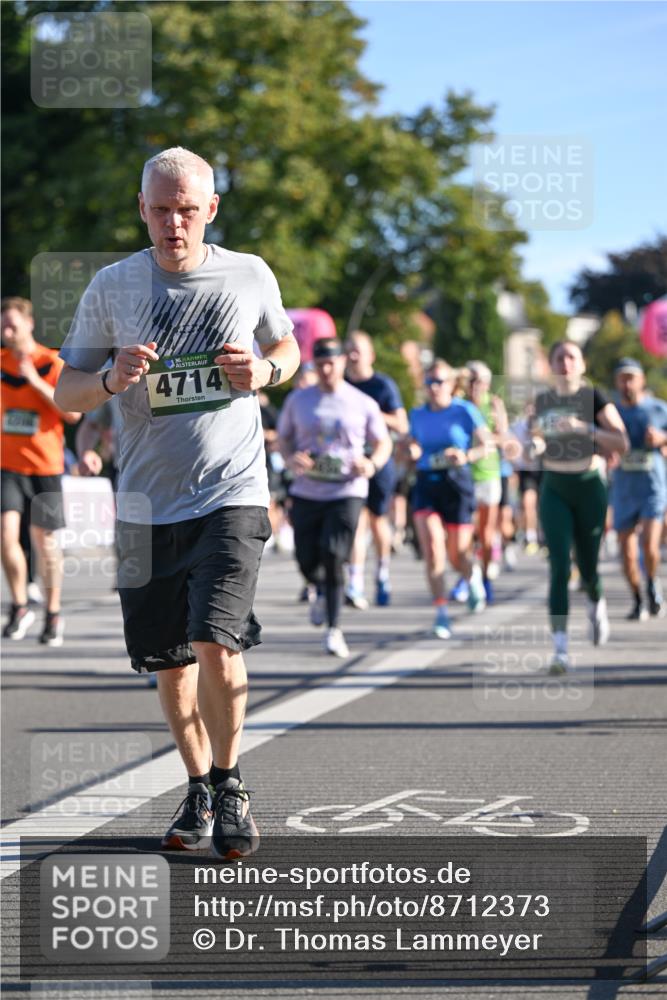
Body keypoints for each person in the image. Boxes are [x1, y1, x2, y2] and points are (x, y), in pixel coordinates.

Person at [54, 146, 300, 859]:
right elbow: (64, 393)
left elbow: (286, 351)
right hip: (142, 504)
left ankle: (230, 784)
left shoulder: (247, 273)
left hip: (232, 491)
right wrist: (106, 379)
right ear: (142, 210)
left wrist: (264, 370)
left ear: (211, 210)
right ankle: (197, 784)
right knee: (169, 664)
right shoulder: (111, 286)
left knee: (214, 643)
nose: (173, 223)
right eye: (160, 209)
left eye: (187, 209)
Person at [277, 338, 391, 657]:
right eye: (320, 364)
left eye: (332, 362)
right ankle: (320, 589)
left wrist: (371, 463)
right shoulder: (298, 400)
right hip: (307, 490)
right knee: (306, 559)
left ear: (342, 362)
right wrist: (290, 458)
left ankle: (334, 629)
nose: (326, 369)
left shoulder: (362, 402)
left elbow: (383, 443)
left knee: (333, 552)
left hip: (347, 490)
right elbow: (283, 439)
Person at [531, 341, 628, 673]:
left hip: (588, 487)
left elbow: (622, 441)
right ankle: (560, 649)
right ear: (552, 364)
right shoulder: (543, 401)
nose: (566, 363)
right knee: (559, 566)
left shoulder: (595, 398)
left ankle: (595, 601)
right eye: (559, 357)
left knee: (588, 567)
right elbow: (533, 435)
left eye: (572, 357)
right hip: (554, 488)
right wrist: (534, 443)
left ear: (582, 364)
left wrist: (585, 428)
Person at [1, 297, 81, 645]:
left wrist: (33, 380)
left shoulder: (51, 363)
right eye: (2, 325)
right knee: (6, 535)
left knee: (45, 541)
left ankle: (52, 612)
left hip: (45, 466)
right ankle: (19, 604)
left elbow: (72, 414)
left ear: (29, 324)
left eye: (12, 324)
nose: (6, 331)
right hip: (8, 465)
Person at [406, 359, 490, 638]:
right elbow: (409, 444)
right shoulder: (417, 414)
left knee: (457, 555)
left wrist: (465, 455)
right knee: (432, 550)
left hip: (456, 483)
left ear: (452, 385)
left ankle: (472, 576)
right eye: (429, 382)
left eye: (439, 382)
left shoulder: (464, 411)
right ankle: (441, 613)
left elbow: (486, 445)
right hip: (427, 482)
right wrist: (411, 449)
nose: (434, 388)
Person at [343, 330, 408, 607]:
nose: (353, 354)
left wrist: (370, 412)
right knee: (356, 523)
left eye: (358, 349)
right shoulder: (340, 385)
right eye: (349, 349)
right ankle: (355, 582)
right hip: (351, 465)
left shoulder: (383, 386)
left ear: (371, 355)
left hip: (379, 462)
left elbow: (402, 425)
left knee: (378, 521)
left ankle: (382, 573)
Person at [610, 358, 667, 620]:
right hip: (623, 489)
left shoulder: (658, 409)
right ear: (616, 383)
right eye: (622, 378)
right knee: (627, 553)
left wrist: (662, 439)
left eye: (631, 377)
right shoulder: (611, 413)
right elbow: (601, 442)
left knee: (649, 545)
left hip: (652, 486)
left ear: (642, 380)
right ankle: (636, 598)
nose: (627, 383)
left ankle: (652, 581)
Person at [465, 361, 508, 603]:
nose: (474, 386)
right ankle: (468, 577)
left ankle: (486, 577)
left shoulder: (493, 404)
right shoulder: (459, 404)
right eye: (471, 381)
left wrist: (485, 437)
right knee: (465, 531)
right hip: (464, 476)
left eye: (479, 381)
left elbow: (504, 437)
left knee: (486, 533)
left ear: (488, 384)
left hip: (489, 474)